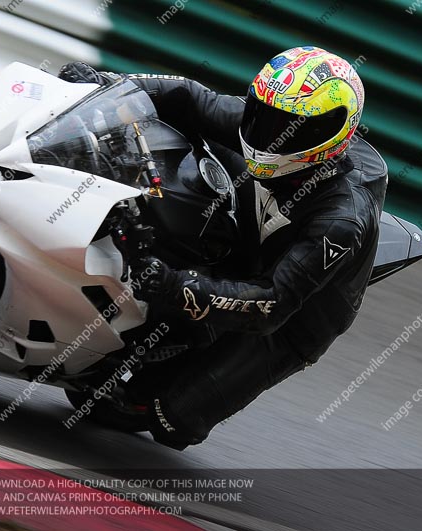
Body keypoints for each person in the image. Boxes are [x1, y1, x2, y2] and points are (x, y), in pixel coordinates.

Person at [58, 46, 385, 450]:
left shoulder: (340, 222)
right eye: (262, 113)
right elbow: (189, 96)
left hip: (289, 320)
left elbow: (271, 303)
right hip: (248, 235)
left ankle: (192, 349)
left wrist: (169, 284)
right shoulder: (267, 128)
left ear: (326, 134)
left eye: (287, 125)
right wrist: (107, 85)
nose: (266, 132)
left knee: (172, 421)